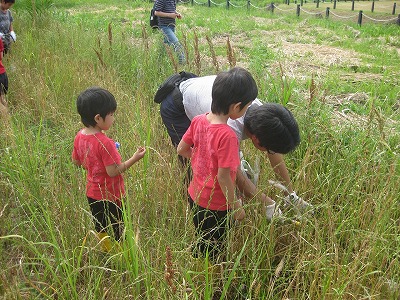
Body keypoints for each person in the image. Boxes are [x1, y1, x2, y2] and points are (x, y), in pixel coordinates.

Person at [159, 71, 311, 221]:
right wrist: (267, 202)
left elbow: (275, 156)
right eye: (269, 149)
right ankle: (199, 211)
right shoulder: (229, 129)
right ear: (257, 139)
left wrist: (291, 194)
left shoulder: (263, 114)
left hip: (198, 91)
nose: (271, 153)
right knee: (196, 170)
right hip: (176, 105)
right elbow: (231, 174)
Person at [177, 67, 254, 260]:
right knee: (215, 248)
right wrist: (236, 206)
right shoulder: (227, 136)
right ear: (236, 107)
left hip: (194, 195)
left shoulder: (198, 120)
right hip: (216, 205)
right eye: (246, 108)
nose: (245, 112)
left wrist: (199, 160)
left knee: (203, 237)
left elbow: (182, 149)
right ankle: (209, 279)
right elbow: (223, 175)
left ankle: (197, 261)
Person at [72, 87, 146, 252]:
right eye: (111, 114)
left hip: (92, 192)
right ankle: (123, 252)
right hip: (112, 195)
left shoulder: (80, 136)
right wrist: (135, 157)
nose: (113, 118)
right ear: (98, 118)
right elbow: (113, 171)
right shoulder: (105, 143)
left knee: (100, 223)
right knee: (119, 224)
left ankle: (105, 249)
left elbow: (77, 162)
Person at [153, 0, 185, 64]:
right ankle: (183, 65)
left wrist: (177, 13)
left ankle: (160, 64)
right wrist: (170, 15)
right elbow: (156, 12)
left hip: (171, 26)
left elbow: (172, 10)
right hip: (164, 27)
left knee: (165, 47)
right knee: (177, 44)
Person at [0, 38, 8, 108]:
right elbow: (1, 57)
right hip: (2, 74)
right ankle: (9, 117)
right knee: (2, 100)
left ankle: (6, 118)